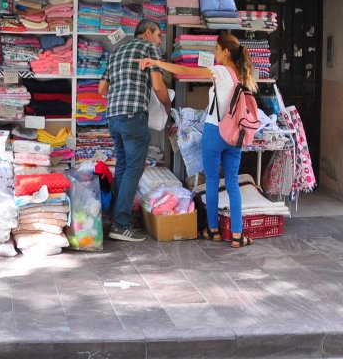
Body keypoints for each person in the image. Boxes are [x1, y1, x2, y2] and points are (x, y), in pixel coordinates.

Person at [139, 33, 257, 248]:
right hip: (233, 136)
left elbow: (185, 70)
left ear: (226, 52)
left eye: (217, 49)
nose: (215, 53)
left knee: (211, 181)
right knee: (232, 183)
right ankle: (238, 235)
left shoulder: (221, 71)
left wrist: (156, 62)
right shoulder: (240, 76)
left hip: (214, 132)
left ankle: (213, 230)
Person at [98, 19, 172, 242]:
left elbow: (102, 89)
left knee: (122, 166)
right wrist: (167, 105)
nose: (160, 41)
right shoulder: (150, 49)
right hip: (133, 115)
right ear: (148, 32)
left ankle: (113, 219)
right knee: (134, 168)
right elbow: (158, 85)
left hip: (113, 116)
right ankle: (121, 224)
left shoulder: (117, 51)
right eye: (159, 35)